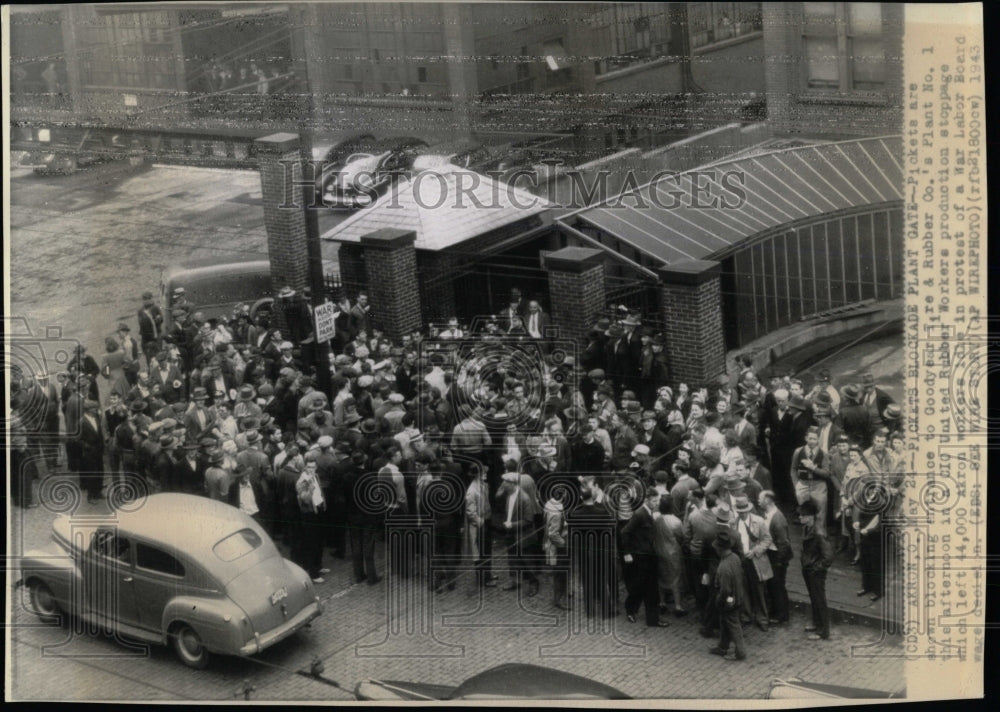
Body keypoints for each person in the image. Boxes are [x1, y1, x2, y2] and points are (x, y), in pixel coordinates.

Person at [621, 489, 670, 628]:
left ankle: (646, 616)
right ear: (647, 500)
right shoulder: (640, 514)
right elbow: (625, 532)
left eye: (657, 500)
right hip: (642, 558)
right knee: (644, 588)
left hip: (648, 556)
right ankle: (637, 612)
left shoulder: (648, 513)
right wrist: (627, 553)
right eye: (654, 501)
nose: (656, 503)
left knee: (647, 588)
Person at [567, 483, 616, 618]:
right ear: (593, 497)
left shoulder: (575, 514)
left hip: (583, 552)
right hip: (599, 551)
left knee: (586, 581)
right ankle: (606, 611)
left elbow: (573, 534)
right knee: (601, 580)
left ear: (581, 497)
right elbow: (609, 532)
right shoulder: (602, 512)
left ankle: (590, 612)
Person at [709, 530, 746, 661]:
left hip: (729, 601)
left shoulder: (723, 567)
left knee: (734, 625)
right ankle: (723, 647)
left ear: (719, 549)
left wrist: (720, 601)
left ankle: (740, 652)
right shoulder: (735, 557)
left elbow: (725, 590)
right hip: (739, 596)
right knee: (725, 622)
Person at [800, 499, 833, 640]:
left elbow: (828, 556)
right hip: (808, 569)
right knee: (814, 598)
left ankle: (823, 631)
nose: (799, 517)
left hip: (815, 571)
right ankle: (816, 623)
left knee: (819, 600)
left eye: (802, 515)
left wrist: (816, 568)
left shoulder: (819, 532)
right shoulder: (807, 527)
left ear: (810, 517)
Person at [758, 490, 791, 625]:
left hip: (777, 556)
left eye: (760, 499)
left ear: (767, 500)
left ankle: (781, 614)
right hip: (772, 553)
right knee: (773, 585)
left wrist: (779, 562)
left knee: (777, 585)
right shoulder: (768, 514)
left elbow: (784, 543)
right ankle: (777, 610)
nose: (758, 501)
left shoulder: (778, 519)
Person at [464, 462, 498, 589]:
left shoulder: (483, 485)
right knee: (480, 553)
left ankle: (488, 574)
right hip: (479, 525)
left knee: (487, 551)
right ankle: (483, 579)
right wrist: (481, 523)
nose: (485, 474)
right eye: (482, 472)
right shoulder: (472, 491)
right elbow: (470, 512)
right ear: (476, 475)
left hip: (486, 521)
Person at [653, 496, 687, 617]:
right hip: (672, 552)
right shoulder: (676, 521)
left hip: (658, 550)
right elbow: (681, 537)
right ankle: (678, 606)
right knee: (676, 578)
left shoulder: (656, 519)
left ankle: (662, 603)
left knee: (661, 576)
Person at [297, 456, 328, 583]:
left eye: (313, 467)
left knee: (320, 540)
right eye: (309, 467)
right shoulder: (301, 481)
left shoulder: (316, 476)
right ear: (305, 467)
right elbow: (305, 499)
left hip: (319, 510)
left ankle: (318, 566)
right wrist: (310, 486)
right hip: (309, 514)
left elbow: (320, 491)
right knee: (311, 543)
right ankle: (313, 573)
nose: (311, 470)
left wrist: (324, 502)